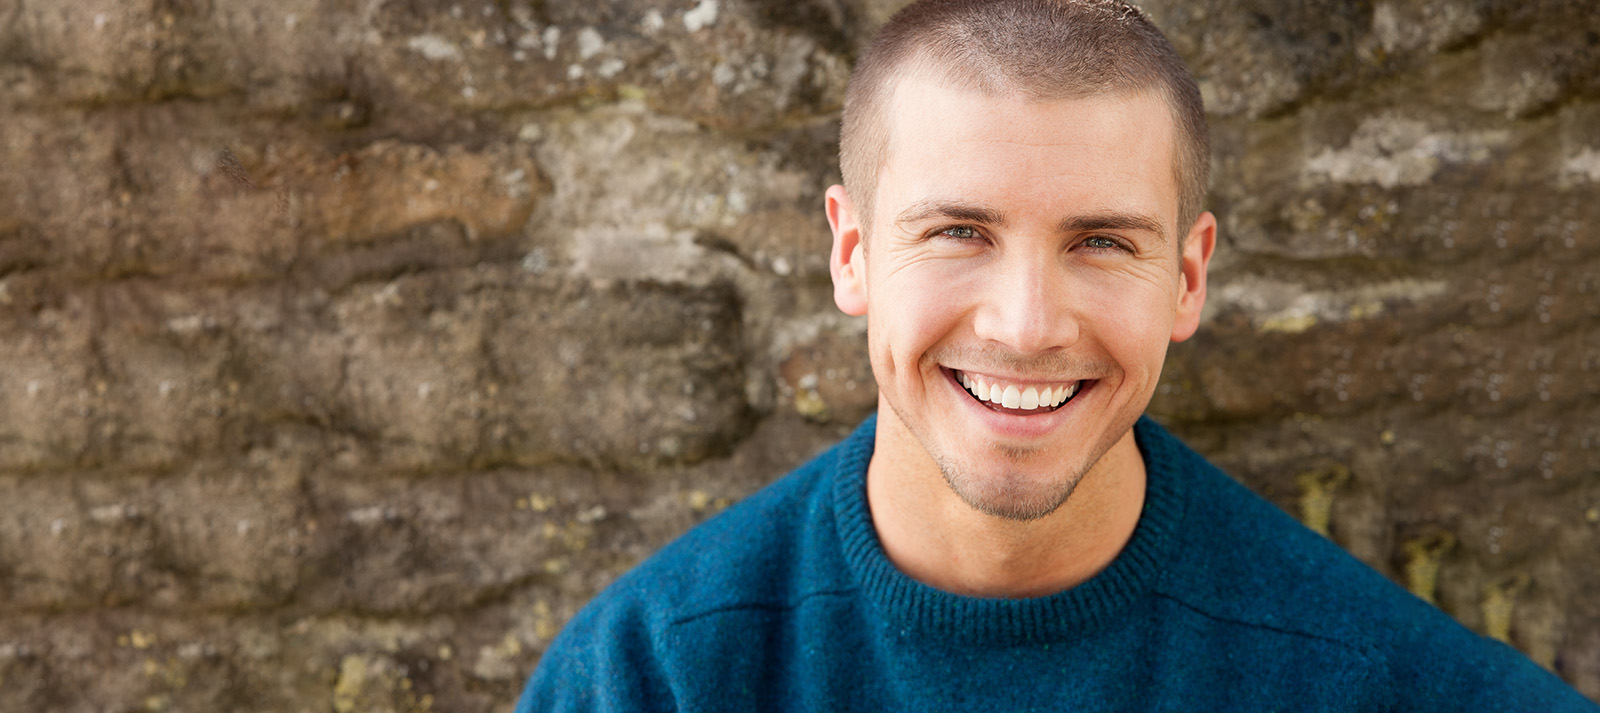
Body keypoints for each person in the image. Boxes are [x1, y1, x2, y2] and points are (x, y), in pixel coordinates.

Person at [515, 0, 1599, 709]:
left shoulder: (1377, 682)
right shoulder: (653, 673)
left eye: (1100, 242)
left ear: (1186, 275)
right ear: (850, 253)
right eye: (958, 232)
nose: (1027, 324)